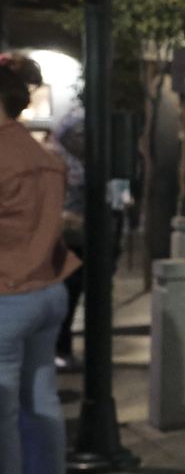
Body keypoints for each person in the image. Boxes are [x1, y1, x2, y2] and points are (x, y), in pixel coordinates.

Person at [0, 53, 77, 474]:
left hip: (8, 294)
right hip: (49, 289)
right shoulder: (47, 156)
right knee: (40, 399)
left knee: (2, 416)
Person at [47, 108, 87, 371]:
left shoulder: (82, 159)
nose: (83, 140)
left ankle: (62, 348)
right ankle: (60, 349)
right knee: (64, 294)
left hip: (80, 235)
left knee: (71, 295)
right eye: (80, 134)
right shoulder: (52, 156)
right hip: (61, 237)